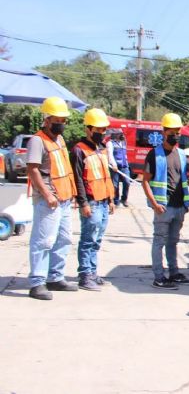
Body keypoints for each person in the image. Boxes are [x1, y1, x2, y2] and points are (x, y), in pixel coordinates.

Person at [25, 97, 79, 300]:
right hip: (49, 200)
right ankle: (37, 283)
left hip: (64, 198)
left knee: (64, 239)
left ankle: (55, 277)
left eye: (63, 120)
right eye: (58, 120)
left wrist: (72, 193)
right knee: (43, 241)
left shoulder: (59, 140)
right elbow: (33, 169)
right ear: (47, 120)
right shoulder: (37, 141)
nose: (61, 124)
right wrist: (47, 194)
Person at [141, 113, 189, 289]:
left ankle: (174, 273)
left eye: (178, 132)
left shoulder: (181, 154)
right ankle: (159, 277)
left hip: (179, 207)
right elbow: (145, 181)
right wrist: (155, 204)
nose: (175, 136)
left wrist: (186, 205)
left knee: (173, 242)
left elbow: (184, 180)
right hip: (163, 208)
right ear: (164, 132)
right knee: (159, 242)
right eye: (172, 132)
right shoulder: (154, 155)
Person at [71, 108, 115, 291]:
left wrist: (111, 199)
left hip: (103, 201)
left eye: (103, 130)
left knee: (97, 240)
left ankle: (93, 272)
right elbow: (78, 179)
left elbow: (106, 176)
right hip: (91, 202)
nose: (101, 133)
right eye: (98, 130)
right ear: (88, 129)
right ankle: (85, 275)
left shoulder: (101, 149)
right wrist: (83, 203)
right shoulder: (79, 150)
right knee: (88, 239)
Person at [108, 129, 131, 207]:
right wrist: (114, 164)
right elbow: (110, 155)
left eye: (121, 134)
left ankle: (124, 199)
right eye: (119, 134)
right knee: (115, 185)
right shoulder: (110, 143)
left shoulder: (124, 142)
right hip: (115, 167)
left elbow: (125, 154)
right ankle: (116, 201)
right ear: (115, 135)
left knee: (127, 182)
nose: (121, 135)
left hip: (124, 166)